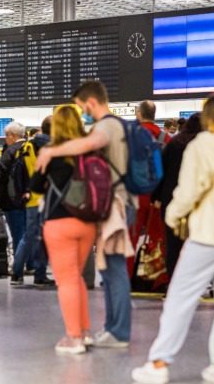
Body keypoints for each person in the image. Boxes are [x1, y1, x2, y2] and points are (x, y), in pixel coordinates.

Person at [132, 94, 214, 384]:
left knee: (180, 297)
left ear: (208, 117)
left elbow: (188, 191)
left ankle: (159, 363)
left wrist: (172, 217)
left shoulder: (200, 147)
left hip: (208, 233)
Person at [37, 80, 132, 349]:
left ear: (91, 102)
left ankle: (118, 331)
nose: (83, 114)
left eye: (82, 107)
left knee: (113, 271)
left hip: (114, 204)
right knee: (106, 269)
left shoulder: (106, 126)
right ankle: (110, 328)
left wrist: (52, 149)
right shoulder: (118, 126)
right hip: (105, 207)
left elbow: (93, 142)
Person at [30, 106, 97, 354]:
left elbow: (35, 186)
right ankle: (86, 331)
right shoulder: (90, 151)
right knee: (77, 277)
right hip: (87, 221)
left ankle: (74, 337)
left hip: (59, 222)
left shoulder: (51, 152)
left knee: (66, 280)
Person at [152, 112, 202, 278]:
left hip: (171, 198)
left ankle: (173, 281)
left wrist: (156, 197)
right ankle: (196, 282)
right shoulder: (203, 145)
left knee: (173, 245)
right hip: (198, 201)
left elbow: (161, 171)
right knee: (199, 244)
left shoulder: (174, 143)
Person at [129, 100, 171, 289]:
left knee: (130, 237)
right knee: (157, 237)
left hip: (135, 195)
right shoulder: (166, 137)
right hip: (157, 196)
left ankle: (127, 276)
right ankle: (158, 279)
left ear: (139, 114)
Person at [11, 116, 55, 287]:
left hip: (30, 198)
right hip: (47, 198)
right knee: (43, 239)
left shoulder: (27, 145)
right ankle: (40, 274)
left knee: (28, 237)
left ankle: (16, 273)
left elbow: (18, 171)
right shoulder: (53, 147)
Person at [0, 122, 28, 256]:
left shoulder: (10, 151)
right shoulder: (31, 148)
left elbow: (1, 174)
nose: (5, 138)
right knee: (28, 232)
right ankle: (31, 263)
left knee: (17, 233)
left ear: (13, 136)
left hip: (12, 198)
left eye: (6, 135)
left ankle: (19, 264)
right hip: (31, 198)